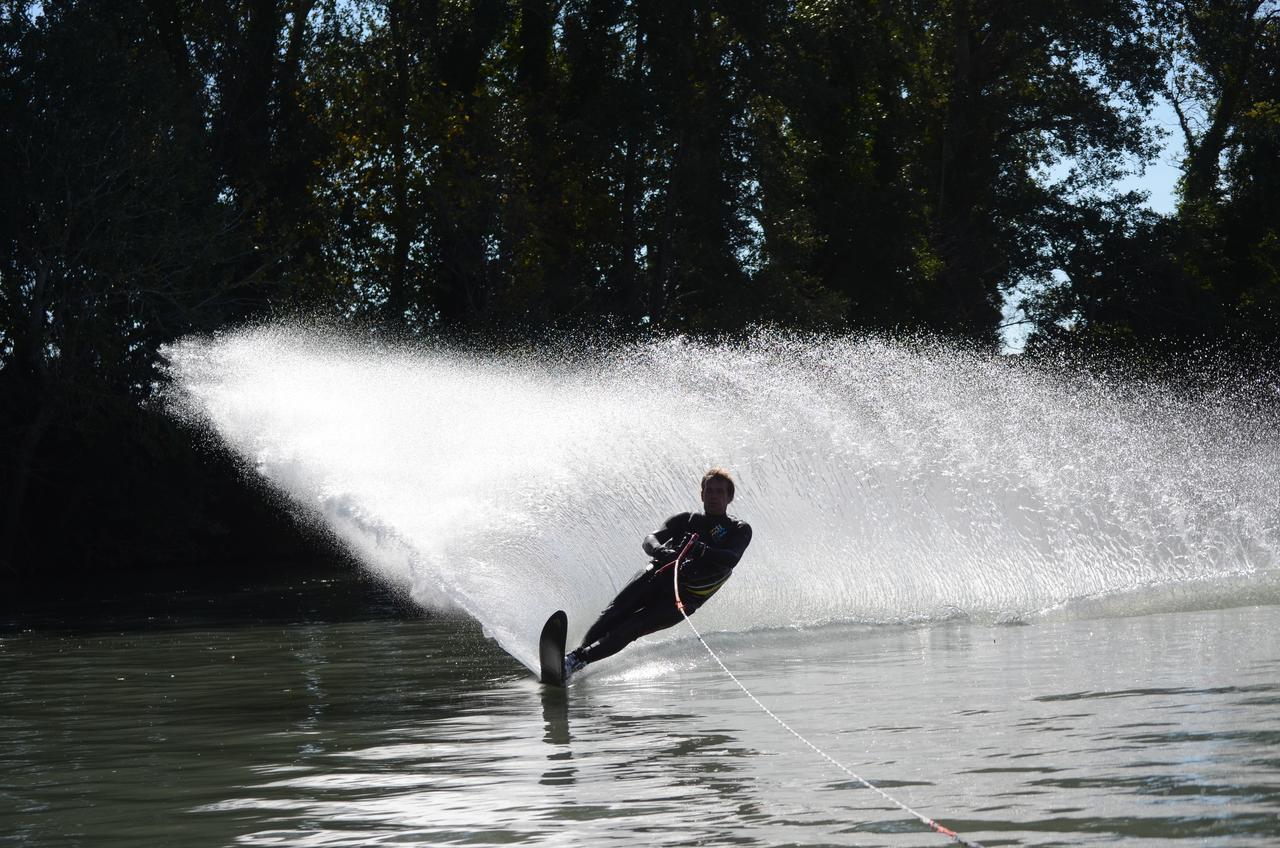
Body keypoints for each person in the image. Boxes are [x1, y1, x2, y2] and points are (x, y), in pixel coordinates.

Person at [563, 468, 752, 680]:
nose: (713, 496)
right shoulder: (685, 520)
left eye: (719, 492)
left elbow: (731, 557)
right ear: (702, 494)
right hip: (658, 575)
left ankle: (579, 659)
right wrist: (660, 550)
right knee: (614, 613)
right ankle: (573, 661)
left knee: (634, 626)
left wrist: (701, 550)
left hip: (686, 597)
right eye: (709, 491)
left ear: (729, 497)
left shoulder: (739, 529)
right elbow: (650, 538)